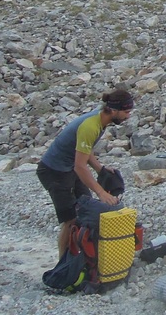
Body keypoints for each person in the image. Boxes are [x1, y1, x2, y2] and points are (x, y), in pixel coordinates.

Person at [37, 89, 134, 256]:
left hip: (68, 168)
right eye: (126, 112)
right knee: (70, 219)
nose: (128, 116)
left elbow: (83, 148)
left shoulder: (100, 121)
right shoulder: (91, 126)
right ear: (113, 110)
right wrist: (101, 192)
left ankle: (83, 255)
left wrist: (99, 169)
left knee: (86, 209)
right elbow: (80, 166)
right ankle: (64, 265)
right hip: (53, 171)